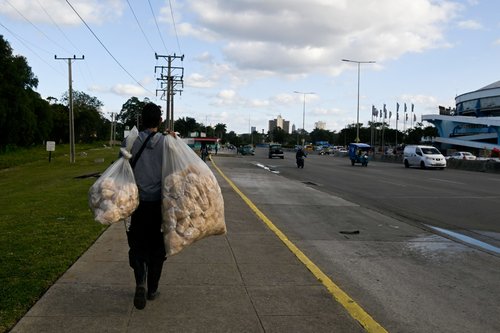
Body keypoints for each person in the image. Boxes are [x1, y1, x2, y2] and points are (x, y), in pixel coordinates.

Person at [125, 102, 166, 310]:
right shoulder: (168, 143)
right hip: (160, 206)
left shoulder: (131, 140)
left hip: (137, 203)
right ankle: (152, 290)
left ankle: (140, 280)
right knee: (158, 248)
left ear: (141, 120)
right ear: (160, 120)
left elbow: (121, 167)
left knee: (138, 244)